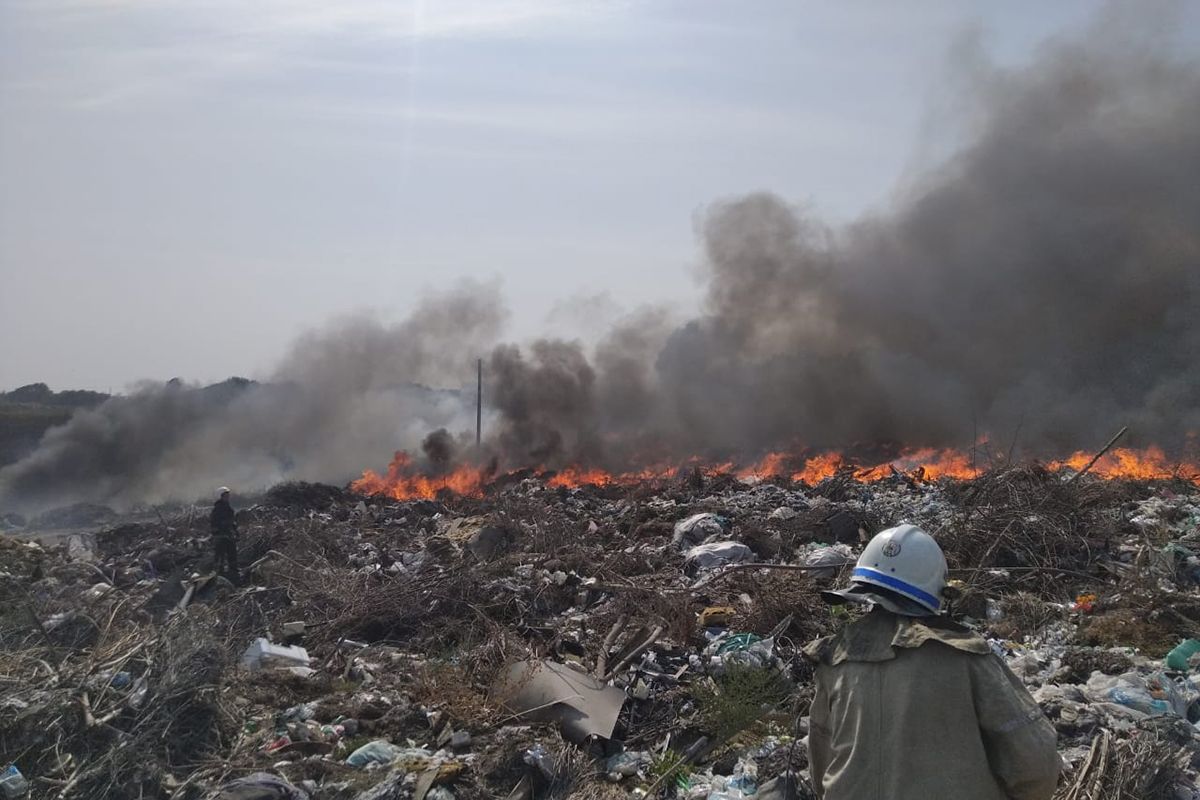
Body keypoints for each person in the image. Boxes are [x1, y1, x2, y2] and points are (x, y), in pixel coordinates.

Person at [804, 524, 1060, 800]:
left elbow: (821, 765)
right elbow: (1035, 762)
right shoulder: (965, 657)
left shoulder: (835, 659)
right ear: (939, 591)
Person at [210, 486, 240, 585]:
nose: (227, 498)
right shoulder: (217, 509)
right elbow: (214, 524)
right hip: (221, 537)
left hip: (229, 536)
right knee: (220, 557)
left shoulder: (228, 508)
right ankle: (218, 576)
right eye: (225, 496)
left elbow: (232, 522)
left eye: (228, 496)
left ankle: (234, 574)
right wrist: (222, 531)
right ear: (220, 497)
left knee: (232, 555)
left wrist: (235, 532)